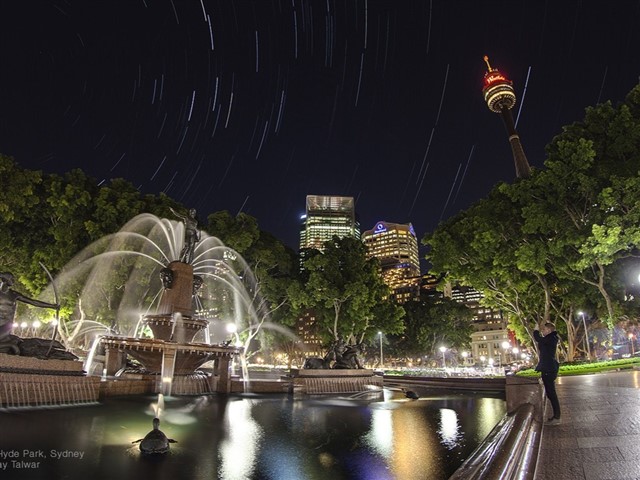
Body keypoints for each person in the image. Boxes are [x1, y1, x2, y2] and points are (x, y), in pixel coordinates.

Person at [0, 272, 59, 353]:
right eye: (11, 279)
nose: (13, 281)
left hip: (7, 324)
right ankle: (11, 345)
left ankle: (11, 346)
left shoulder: (14, 294)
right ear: (5, 280)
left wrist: (52, 306)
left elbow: (33, 302)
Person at [534, 322, 561, 424]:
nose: (542, 331)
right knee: (550, 394)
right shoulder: (550, 338)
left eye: (544, 330)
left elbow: (538, 339)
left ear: (549, 330)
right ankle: (556, 416)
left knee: (551, 394)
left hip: (548, 369)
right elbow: (541, 342)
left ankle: (557, 417)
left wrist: (535, 330)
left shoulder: (551, 338)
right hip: (548, 368)